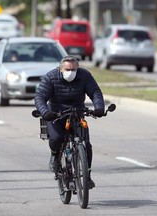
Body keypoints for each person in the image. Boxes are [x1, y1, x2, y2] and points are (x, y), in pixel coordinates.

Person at [34, 56, 105, 189]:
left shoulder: (84, 75)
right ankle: (55, 156)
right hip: (56, 113)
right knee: (57, 138)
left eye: (73, 69)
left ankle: (87, 177)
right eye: (67, 69)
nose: (70, 72)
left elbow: (95, 92)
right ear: (60, 69)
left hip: (77, 112)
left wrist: (99, 108)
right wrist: (45, 112)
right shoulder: (51, 77)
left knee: (86, 145)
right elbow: (40, 97)